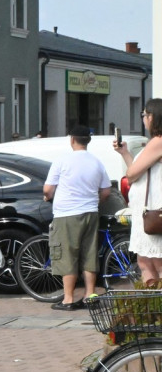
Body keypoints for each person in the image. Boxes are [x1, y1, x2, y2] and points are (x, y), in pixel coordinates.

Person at [43, 126, 111, 310]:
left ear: (72, 139)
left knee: (67, 254)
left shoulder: (62, 161)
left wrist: (47, 196)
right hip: (90, 212)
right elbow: (106, 191)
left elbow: (48, 190)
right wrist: (94, 202)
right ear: (88, 140)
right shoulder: (97, 162)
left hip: (67, 213)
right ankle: (90, 296)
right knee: (89, 254)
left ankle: (69, 299)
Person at [115, 99, 162, 286]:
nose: (143, 119)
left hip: (153, 212)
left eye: (144, 115)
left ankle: (156, 308)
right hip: (146, 213)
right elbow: (138, 173)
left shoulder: (157, 141)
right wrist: (125, 154)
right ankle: (152, 309)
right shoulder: (154, 143)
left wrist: (130, 169)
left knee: (155, 263)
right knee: (145, 262)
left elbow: (132, 174)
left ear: (152, 117)